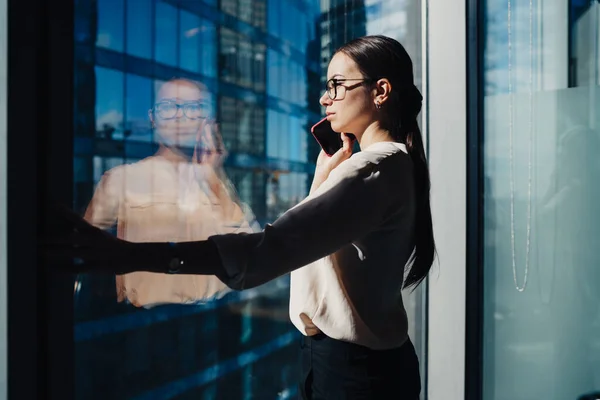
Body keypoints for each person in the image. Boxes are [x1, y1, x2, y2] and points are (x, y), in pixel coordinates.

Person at [45, 35, 435, 399]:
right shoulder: (385, 166)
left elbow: (266, 250)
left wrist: (127, 255)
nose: (323, 98)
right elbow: (301, 240)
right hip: (357, 364)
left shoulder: (373, 170)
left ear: (380, 91)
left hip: (354, 374)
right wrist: (323, 178)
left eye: (336, 85)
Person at [82, 77, 254, 308]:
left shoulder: (216, 182)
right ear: (153, 118)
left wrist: (214, 175)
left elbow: (250, 251)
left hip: (216, 320)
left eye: (193, 108)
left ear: (207, 120)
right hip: (144, 324)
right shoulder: (121, 179)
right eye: (168, 107)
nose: (180, 116)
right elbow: (85, 251)